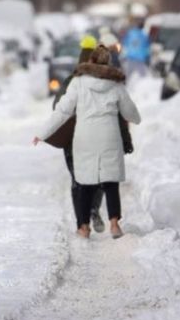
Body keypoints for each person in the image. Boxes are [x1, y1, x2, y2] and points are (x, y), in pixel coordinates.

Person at [34, 45, 141, 239]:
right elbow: (130, 112)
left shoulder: (78, 82)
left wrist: (42, 133)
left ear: (90, 61)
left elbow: (62, 110)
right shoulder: (116, 84)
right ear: (107, 63)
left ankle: (83, 227)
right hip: (109, 137)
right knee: (110, 183)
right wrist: (137, 118)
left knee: (84, 182)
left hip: (85, 137)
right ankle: (115, 224)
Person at [53, 35, 105, 233]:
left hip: (73, 140)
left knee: (77, 181)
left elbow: (56, 107)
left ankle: (82, 224)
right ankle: (93, 209)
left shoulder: (69, 82)